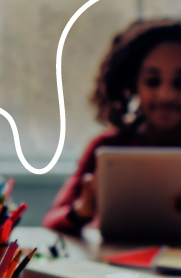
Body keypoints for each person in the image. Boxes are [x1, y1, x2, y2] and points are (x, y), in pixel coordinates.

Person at [44, 20, 181, 236]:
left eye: (179, 83)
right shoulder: (106, 147)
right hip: (112, 264)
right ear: (133, 83)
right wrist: (83, 210)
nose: (166, 95)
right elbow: (52, 220)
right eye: (152, 81)